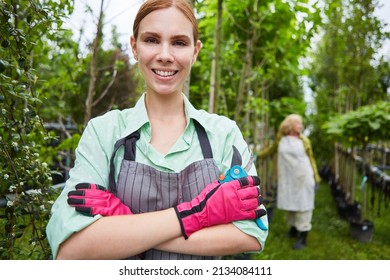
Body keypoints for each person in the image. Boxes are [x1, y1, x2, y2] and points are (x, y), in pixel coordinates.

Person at [46, 0, 268, 260]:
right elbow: (71, 251)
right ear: (134, 47)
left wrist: (126, 222)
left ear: (195, 51)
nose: (165, 54)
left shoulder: (224, 134)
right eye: (151, 40)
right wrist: (198, 213)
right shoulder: (103, 132)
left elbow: (251, 234)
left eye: (179, 42)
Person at [258, 114, 320, 250]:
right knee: (291, 202)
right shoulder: (281, 140)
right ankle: (293, 228)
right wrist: (257, 155)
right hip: (289, 179)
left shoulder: (304, 140)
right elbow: (271, 150)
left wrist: (316, 178)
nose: (301, 126)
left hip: (304, 177)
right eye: (298, 123)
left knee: (304, 205)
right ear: (290, 125)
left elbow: (311, 159)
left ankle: (303, 236)